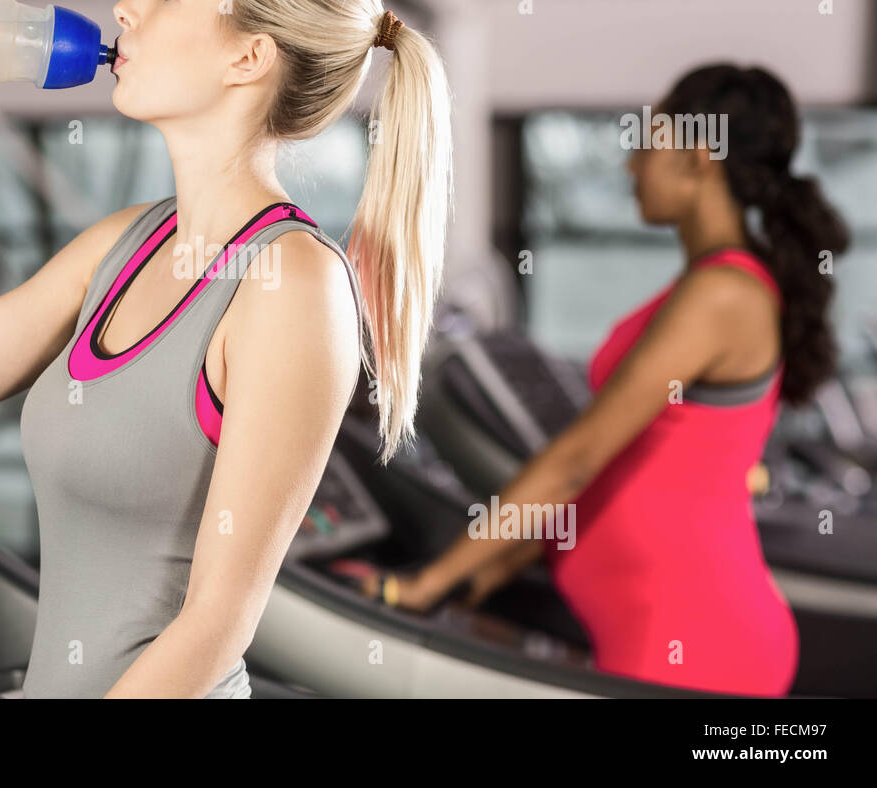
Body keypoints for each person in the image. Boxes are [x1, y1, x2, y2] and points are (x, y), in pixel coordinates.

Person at [0, 0, 452, 697]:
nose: (127, 8)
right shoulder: (125, 244)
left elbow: (214, 626)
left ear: (248, 57)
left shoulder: (292, 287)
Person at [362, 63, 851, 697]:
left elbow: (577, 458)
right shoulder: (710, 287)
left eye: (646, 144)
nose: (632, 167)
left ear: (698, 155)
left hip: (694, 643)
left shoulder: (722, 295)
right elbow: (627, 471)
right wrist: (481, 573)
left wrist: (427, 583)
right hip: (662, 633)